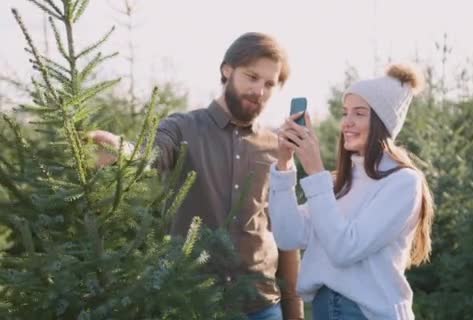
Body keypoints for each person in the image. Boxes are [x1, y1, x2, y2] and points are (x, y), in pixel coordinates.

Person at [88, 32, 304, 320]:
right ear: (227, 69)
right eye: (252, 77)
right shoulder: (183, 127)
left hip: (262, 306)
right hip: (193, 303)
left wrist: (294, 310)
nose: (259, 91)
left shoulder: (276, 147)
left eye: (269, 84)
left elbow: (285, 233)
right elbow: (151, 152)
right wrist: (125, 152)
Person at [269, 64, 434, 319]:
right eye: (345, 112)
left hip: (368, 314)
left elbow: (345, 249)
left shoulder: (403, 183)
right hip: (325, 309)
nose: (347, 122)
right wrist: (284, 165)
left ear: (382, 123)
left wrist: (315, 172)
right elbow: (289, 236)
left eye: (359, 113)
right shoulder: (339, 183)